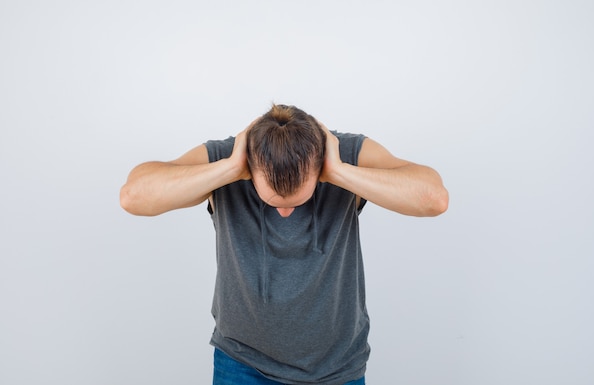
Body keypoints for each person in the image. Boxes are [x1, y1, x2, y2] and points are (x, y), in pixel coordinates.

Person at [120, 104, 448, 385]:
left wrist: (340, 171)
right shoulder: (227, 157)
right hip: (242, 364)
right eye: (274, 200)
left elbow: (433, 199)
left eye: (298, 199)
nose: (286, 212)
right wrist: (230, 168)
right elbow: (134, 196)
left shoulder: (346, 155)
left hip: (337, 368)